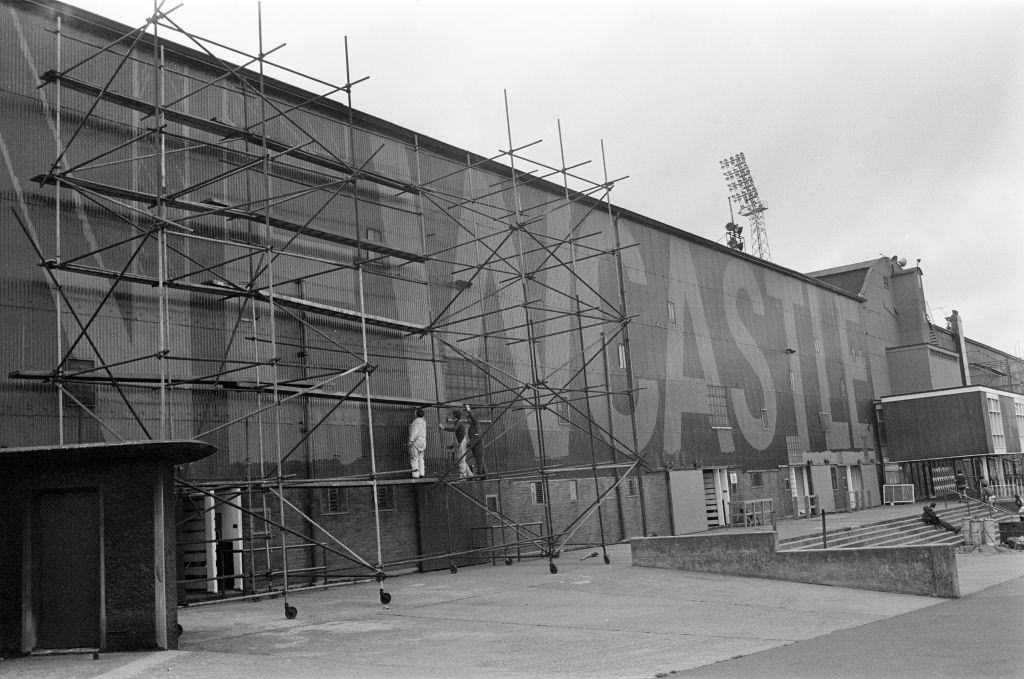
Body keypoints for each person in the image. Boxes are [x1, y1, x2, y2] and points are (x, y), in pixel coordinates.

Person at [441, 408, 472, 478]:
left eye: (453, 415)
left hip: (461, 443)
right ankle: (470, 475)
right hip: (461, 442)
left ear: (455, 416)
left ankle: (463, 477)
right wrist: (453, 445)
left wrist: (443, 428)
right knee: (462, 460)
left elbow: (454, 429)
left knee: (461, 460)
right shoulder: (458, 422)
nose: (452, 417)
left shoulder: (458, 422)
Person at [463, 404, 483, 476]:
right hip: (473, 445)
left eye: (468, 419)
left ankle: (479, 474)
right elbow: (472, 438)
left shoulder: (475, 423)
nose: (467, 420)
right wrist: (468, 444)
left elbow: (476, 438)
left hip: (478, 445)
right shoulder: (471, 427)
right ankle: (483, 474)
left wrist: (468, 408)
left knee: (479, 460)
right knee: (478, 460)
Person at [408, 408, 427, 478]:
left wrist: (411, 440)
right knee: (421, 457)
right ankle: (422, 473)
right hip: (423, 441)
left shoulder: (415, 422)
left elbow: (414, 432)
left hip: (416, 441)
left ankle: (415, 475)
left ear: (416, 415)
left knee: (414, 457)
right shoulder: (424, 422)